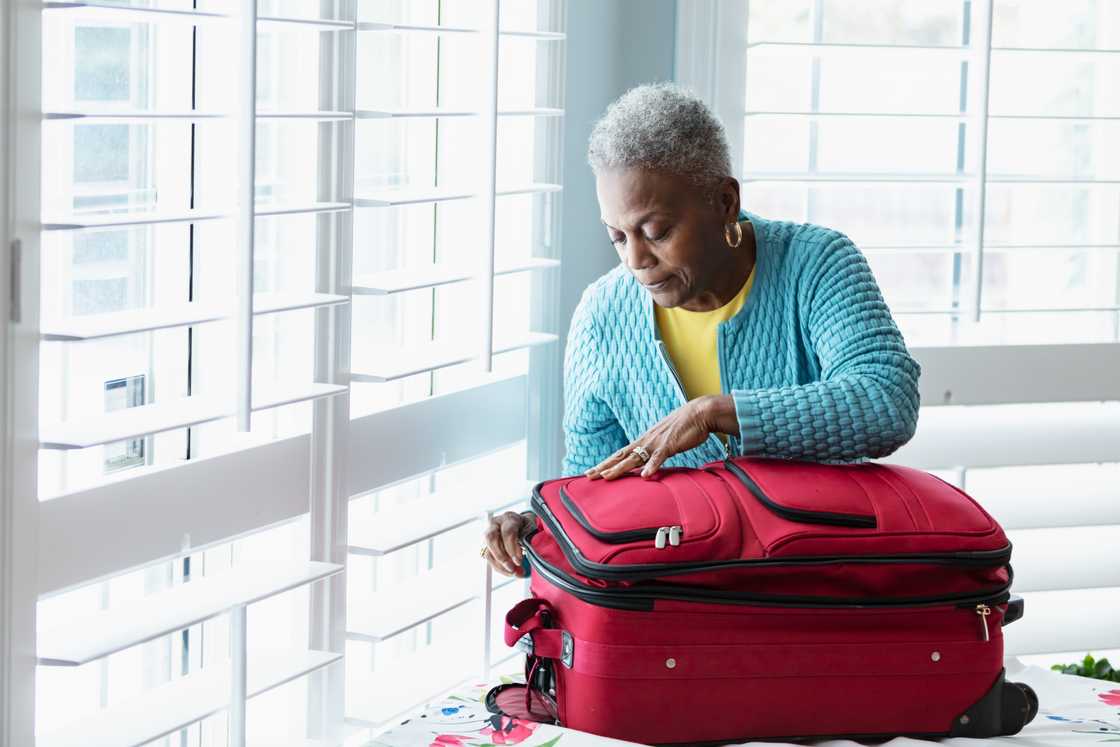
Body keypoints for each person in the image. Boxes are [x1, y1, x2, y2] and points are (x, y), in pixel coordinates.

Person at [483, 82, 921, 577]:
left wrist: (715, 413)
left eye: (656, 232)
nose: (636, 260)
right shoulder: (602, 316)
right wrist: (537, 530)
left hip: (820, 584)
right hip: (688, 602)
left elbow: (887, 402)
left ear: (724, 202)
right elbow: (596, 486)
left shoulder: (816, 265)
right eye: (617, 237)